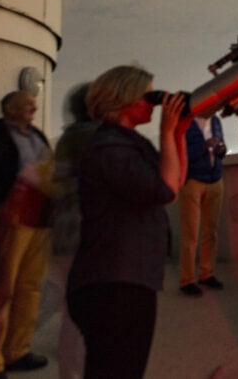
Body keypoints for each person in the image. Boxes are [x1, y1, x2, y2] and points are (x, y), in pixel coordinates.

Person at [66, 66, 189, 378]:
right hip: (113, 286)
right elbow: (164, 189)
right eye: (147, 96)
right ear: (125, 100)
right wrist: (165, 131)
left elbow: (174, 185)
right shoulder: (111, 149)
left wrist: (177, 134)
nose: (153, 103)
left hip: (126, 279)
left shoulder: (127, 144)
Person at [0, 91, 55, 376]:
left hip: (39, 221)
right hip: (9, 221)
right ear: (9, 108)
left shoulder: (38, 138)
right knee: (1, 290)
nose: (34, 106)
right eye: (27, 102)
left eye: (33, 102)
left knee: (30, 287)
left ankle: (17, 351)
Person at [50, 83, 98, 379]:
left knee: (73, 311)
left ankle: (70, 372)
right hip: (88, 233)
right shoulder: (96, 137)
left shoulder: (68, 138)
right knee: (90, 314)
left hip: (65, 233)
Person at [178, 114, 228, 297]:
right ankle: (187, 279)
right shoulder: (184, 124)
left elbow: (221, 149)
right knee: (190, 233)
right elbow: (181, 152)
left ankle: (206, 274)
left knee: (211, 231)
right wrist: (204, 146)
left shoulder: (215, 121)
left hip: (215, 179)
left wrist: (221, 149)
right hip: (193, 181)